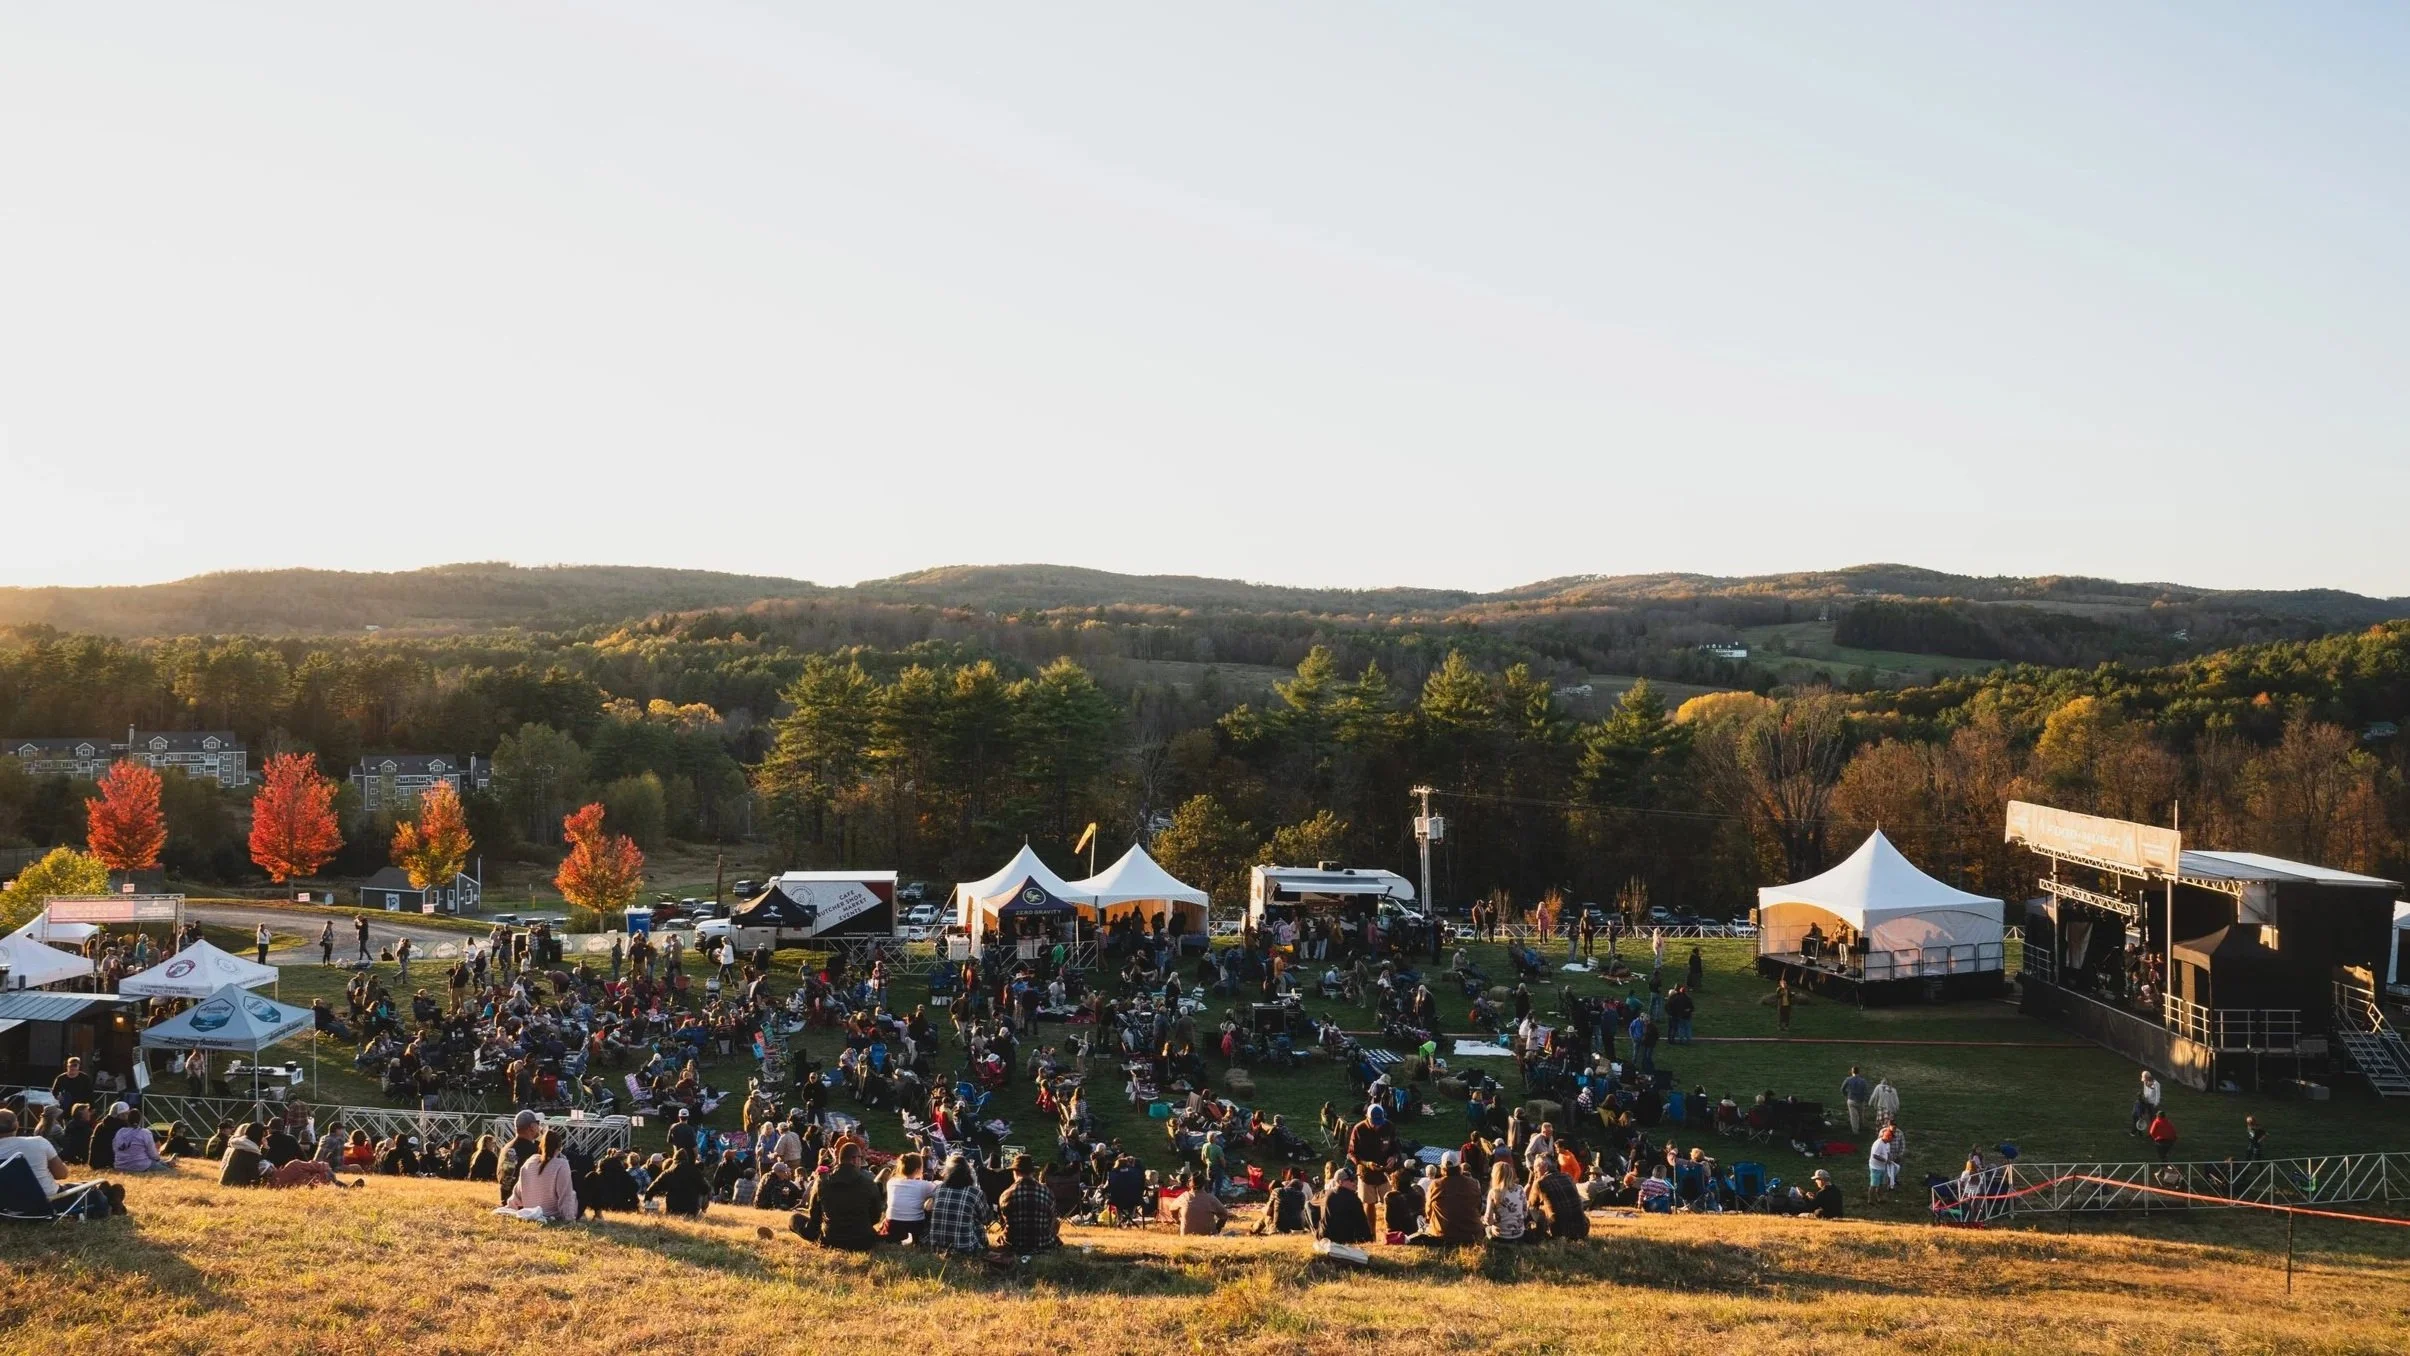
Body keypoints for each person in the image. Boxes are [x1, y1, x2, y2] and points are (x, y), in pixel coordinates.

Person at [798, 1142, 881, 1249]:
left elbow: (814, 1213)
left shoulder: (822, 1181)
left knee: (795, 1219)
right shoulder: (869, 1183)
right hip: (863, 1240)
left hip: (831, 1239)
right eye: (861, 1158)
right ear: (855, 1159)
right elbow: (875, 1216)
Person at [501, 1129, 579, 1222]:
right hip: (553, 1214)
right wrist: (569, 1219)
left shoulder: (530, 1162)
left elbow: (518, 1193)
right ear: (559, 1147)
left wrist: (510, 1207)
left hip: (531, 1210)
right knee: (578, 1180)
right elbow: (565, 1195)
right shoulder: (561, 1164)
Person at [925, 1154, 993, 1254]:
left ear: (947, 1172)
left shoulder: (939, 1189)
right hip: (966, 1249)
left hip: (937, 1247)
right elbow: (986, 1220)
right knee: (975, 1220)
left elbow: (928, 1209)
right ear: (968, 1172)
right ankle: (980, 1246)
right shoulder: (975, 1192)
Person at [1412, 1153, 1485, 1245]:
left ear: (1442, 1168)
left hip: (1444, 1236)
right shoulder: (1473, 1183)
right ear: (1459, 1166)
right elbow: (1478, 1207)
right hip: (1472, 1234)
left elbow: (1428, 1211)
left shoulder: (1436, 1185)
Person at [996, 1153, 1060, 1254]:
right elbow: (1052, 1220)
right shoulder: (1047, 1192)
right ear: (1032, 1172)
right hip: (1043, 1245)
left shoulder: (1005, 1195)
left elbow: (1006, 1223)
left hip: (1015, 1246)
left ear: (1015, 1172)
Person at [1525, 1156, 1588, 1240]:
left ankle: (1538, 1232)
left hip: (1559, 1233)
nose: (1534, 1171)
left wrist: (1534, 1181)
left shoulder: (1540, 1183)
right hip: (1582, 1230)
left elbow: (1531, 1204)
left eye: (1536, 1167)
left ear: (1545, 1167)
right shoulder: (1568, 1177)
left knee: (1533, 1208)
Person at [881, 1152, 937, 1245]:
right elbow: (939, 1192)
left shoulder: (891, 1182)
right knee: (931, 1201)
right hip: (914, 1227)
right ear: (917, 1170)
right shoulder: (924, 1185)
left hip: (892, 1226)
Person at [643, 1145, 710, 1218]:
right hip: (691, 1210)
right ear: (687, 1159)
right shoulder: (695, 1172)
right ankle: (703, 1212)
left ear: (674, 1159)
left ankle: (649, 1213)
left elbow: (651, 1190)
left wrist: (648, 1206)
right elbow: (705, 1189)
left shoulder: (668, 1172)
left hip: (673, 1210)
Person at [497, 1109, 543, 1205]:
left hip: (506, 1199)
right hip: (523, 1203)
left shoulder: (506, 1147)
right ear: (532, 1127)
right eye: (538, 1123)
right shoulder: (534, 1151)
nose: (539, 1126)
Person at [1319, 1168, 1374, 1245]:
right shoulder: (1352, 1198)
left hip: (1325, 1239)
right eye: (1351, 1180)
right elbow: (1362, 1224)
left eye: (1355, 1179)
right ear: (1340, 1182)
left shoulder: (1327, 1194)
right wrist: (1369, 1240)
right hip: (1344, 1242)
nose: (1355, 1182)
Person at [110, 1105, 171, 1172]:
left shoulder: (120, 1132)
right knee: (166, 1170)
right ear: (140, 1120)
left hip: (120, 1166)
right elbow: (153, 1155)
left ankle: (166, 1162)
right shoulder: (145, 1133)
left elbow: (115, 1148)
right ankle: (167, 1163)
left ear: (128, 1120)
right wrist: (158, 1159)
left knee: (160, 1163)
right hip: (141, 1165)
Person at [1482, 1159, 1528, 1242]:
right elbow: (1525, 1214)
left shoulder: (1494, 1193)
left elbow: (1489, 1221)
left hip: (1501, 1237)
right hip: (1520, 1235)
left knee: (1487, 1229)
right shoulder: (1520, 1189)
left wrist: (1483, 1219)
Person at [1867, 1124, 1903, 1203]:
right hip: (1875, 1168)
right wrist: (1885, 1160)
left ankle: (1880, 1198)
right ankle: (1870, 1200)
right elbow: (1875, 1155)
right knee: (1874, 1184)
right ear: (1888, 1137)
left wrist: (1890, 1158)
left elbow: (1887, 1152)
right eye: (1891, 1138)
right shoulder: (1878, 1144)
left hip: (1883, 1167)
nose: (1891, 1140)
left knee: (1881, 1184)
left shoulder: (1887, 1143)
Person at [1840, 1067, 1872, 1135]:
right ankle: (1861, 1127)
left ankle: (1855, 1131)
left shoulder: (1848, 1079)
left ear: (1852, 1072)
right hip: (1860, 1101)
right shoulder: (1863, 1081)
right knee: (1861, 1115)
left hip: (1851, 1100)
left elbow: (1842, 1089)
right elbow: (1866, 1091)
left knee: (1853, 1116)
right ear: (1859, 1072)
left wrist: (1846, 1095)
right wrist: (1866, 1099)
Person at [2132, 1071, 2162, 1137]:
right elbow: (2145, 1091)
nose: (2144, 1080)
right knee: (2149, 1118)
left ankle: (2154, 1133)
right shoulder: (2146, 1082)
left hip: (2153, 1104)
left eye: (2145, 1079)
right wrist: (2144, 1099)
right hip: (2147, 1103)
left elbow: (2158, 1095)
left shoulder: (2156, 1084)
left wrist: (2156, 1104)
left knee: (2153, 1119)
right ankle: (2151, 1132)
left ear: (2148, 1077)